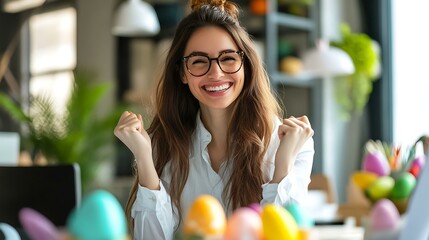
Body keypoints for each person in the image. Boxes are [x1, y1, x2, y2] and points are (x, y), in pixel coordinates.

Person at [114, 0, 315, 239]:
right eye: (199, 61)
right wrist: (145, 159)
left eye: (228, 58)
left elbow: (285, 234)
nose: (216, 73)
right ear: (182, 73)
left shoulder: (290, 143)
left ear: (246, 66)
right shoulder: (161, 143)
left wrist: (282, 167)